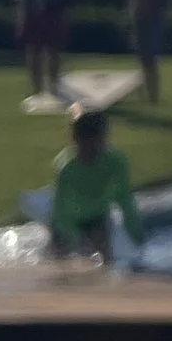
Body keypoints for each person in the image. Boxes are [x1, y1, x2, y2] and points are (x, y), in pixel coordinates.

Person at [49, 105, 145, 264]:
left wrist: (135, 233)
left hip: (97, 217)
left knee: (107, 259)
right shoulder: (66, 168)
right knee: (60, 262)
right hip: (67, 222)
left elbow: (125, 200)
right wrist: (75, 238)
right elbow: (61, 211)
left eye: (96, 144)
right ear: (75, 141)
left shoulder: (115, 163)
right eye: (85, 146)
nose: (91, 152)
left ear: (104, 138)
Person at [126, 0, 171, 107]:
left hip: (152, 19)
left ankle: (152, 95)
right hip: (141, 19)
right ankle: (146, 93)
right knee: (143, 59)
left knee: (150, 59)